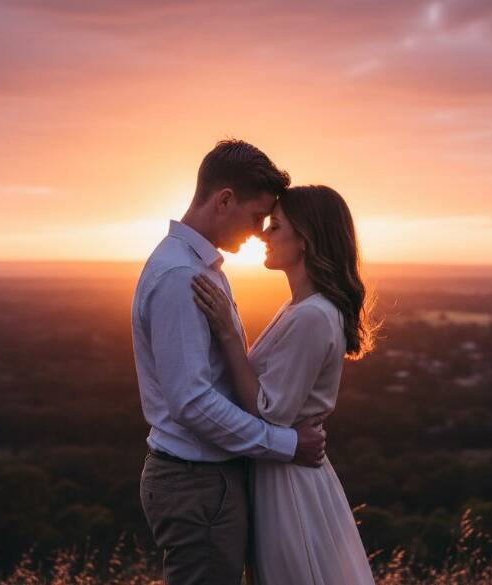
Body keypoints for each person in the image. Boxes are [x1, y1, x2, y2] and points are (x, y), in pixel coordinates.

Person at [131, 140, 329, 585]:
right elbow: (193, 402)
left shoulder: (198, 269)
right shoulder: (181, 276)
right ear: (224, 200)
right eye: (257, 216)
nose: (260, 230)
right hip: (197, 485)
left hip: (207, 483)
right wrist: (286, 444)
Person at [192, 184, 378, 585]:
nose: (263, 233)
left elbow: (269, 412)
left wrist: (227, 333)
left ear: (306, 241)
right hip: (280, 469)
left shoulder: (311, 316)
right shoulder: (298, 307)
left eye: (275, 226)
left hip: (289, 482)